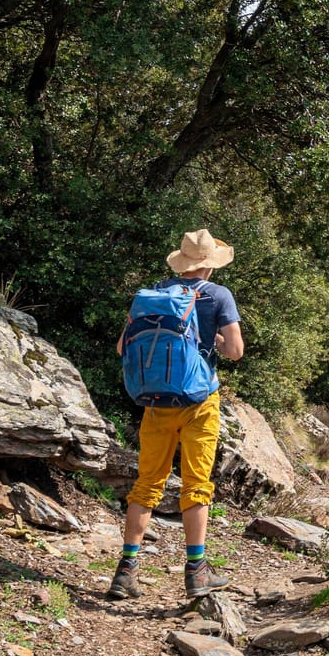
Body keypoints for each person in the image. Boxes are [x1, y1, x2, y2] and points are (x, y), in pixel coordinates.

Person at [107, 229, 245, 600]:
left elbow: (123, 346)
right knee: (196, 483)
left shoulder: (155, 295)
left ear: (182, 262)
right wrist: (212, 339)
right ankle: (196, 570)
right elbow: (235, 351)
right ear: (210, 265)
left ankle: (126, 570)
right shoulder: (219, 296)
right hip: (199, 402)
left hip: (157, 402)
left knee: (147, 484)